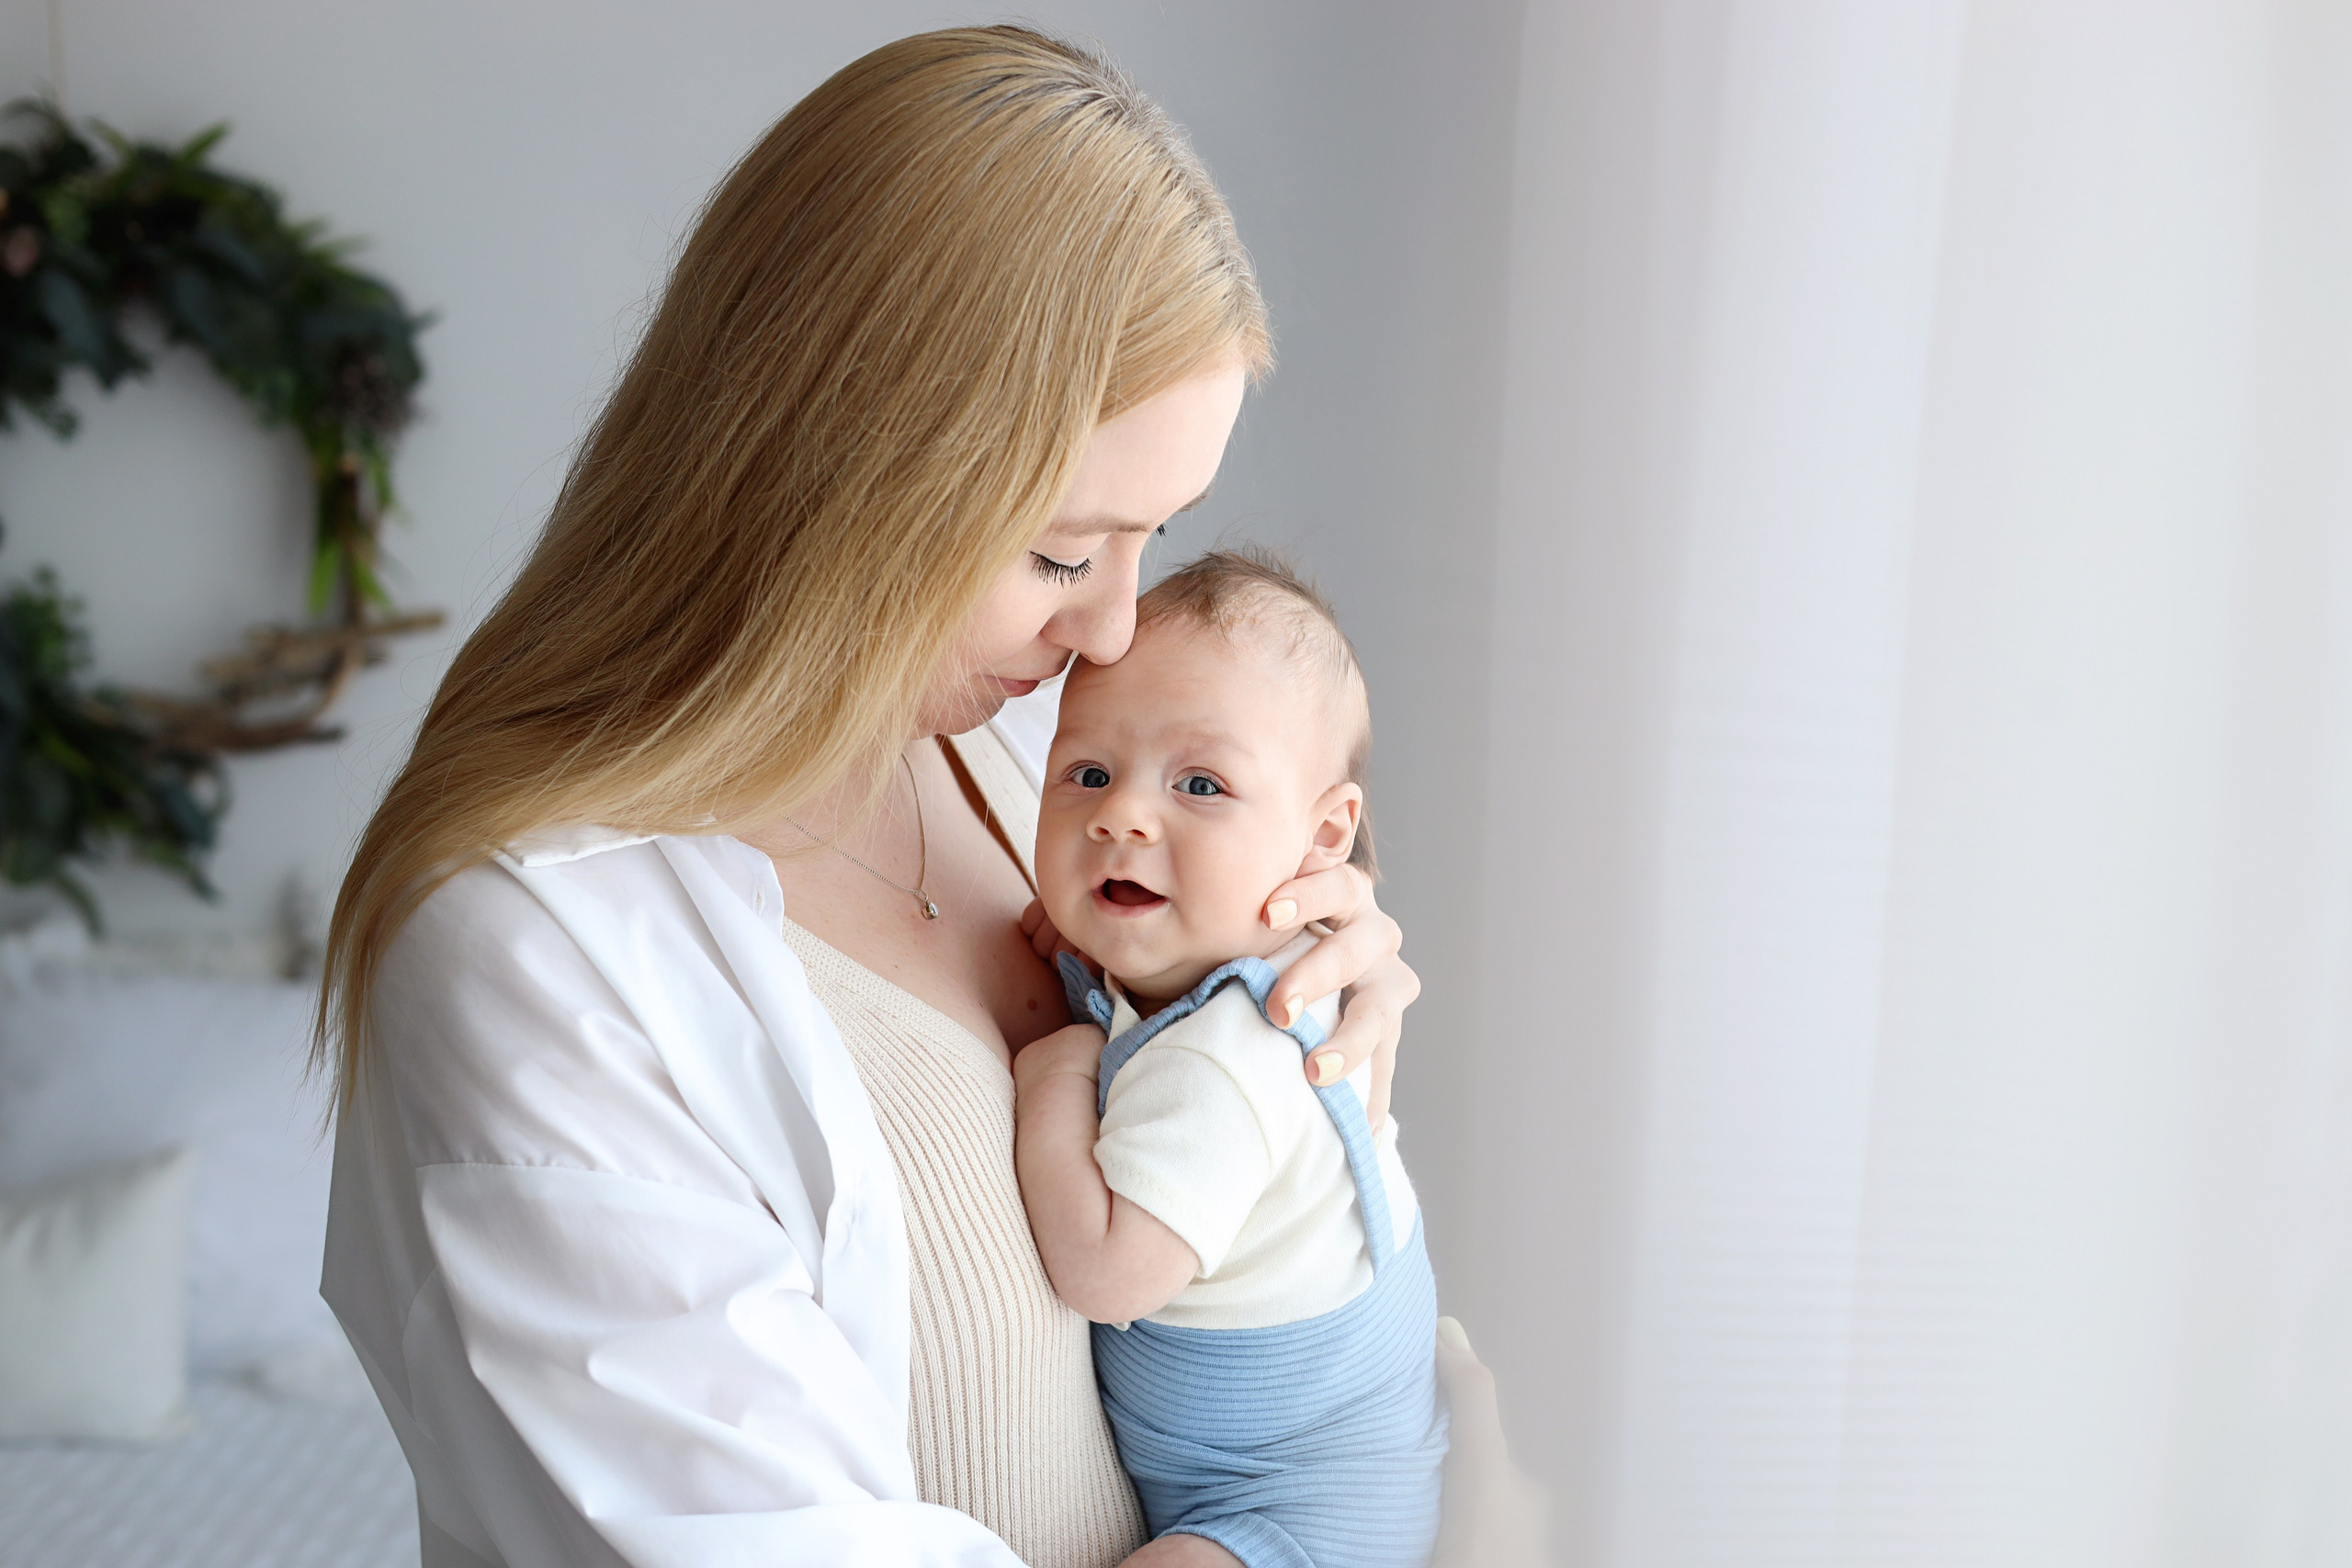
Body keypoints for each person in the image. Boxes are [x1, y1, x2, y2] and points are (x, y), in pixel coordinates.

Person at [317, 24, 1529, 1568]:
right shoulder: (534, 947)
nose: (1108, 631)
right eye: (1059, 551)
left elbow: (1243, 1245)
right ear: (838, 472)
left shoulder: (1026, 761)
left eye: (1153, 536)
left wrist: (1306, 1019)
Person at [1015, 548, 1445, 1568]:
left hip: (1293, 1501)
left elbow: (1110, 1273)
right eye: (1085, 773)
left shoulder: (1229, 1056)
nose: (1120, 814)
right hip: (1321, 1444)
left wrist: (1054, 1078)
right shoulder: (1225, 960)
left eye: (1200, 784)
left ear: (1323, 837)